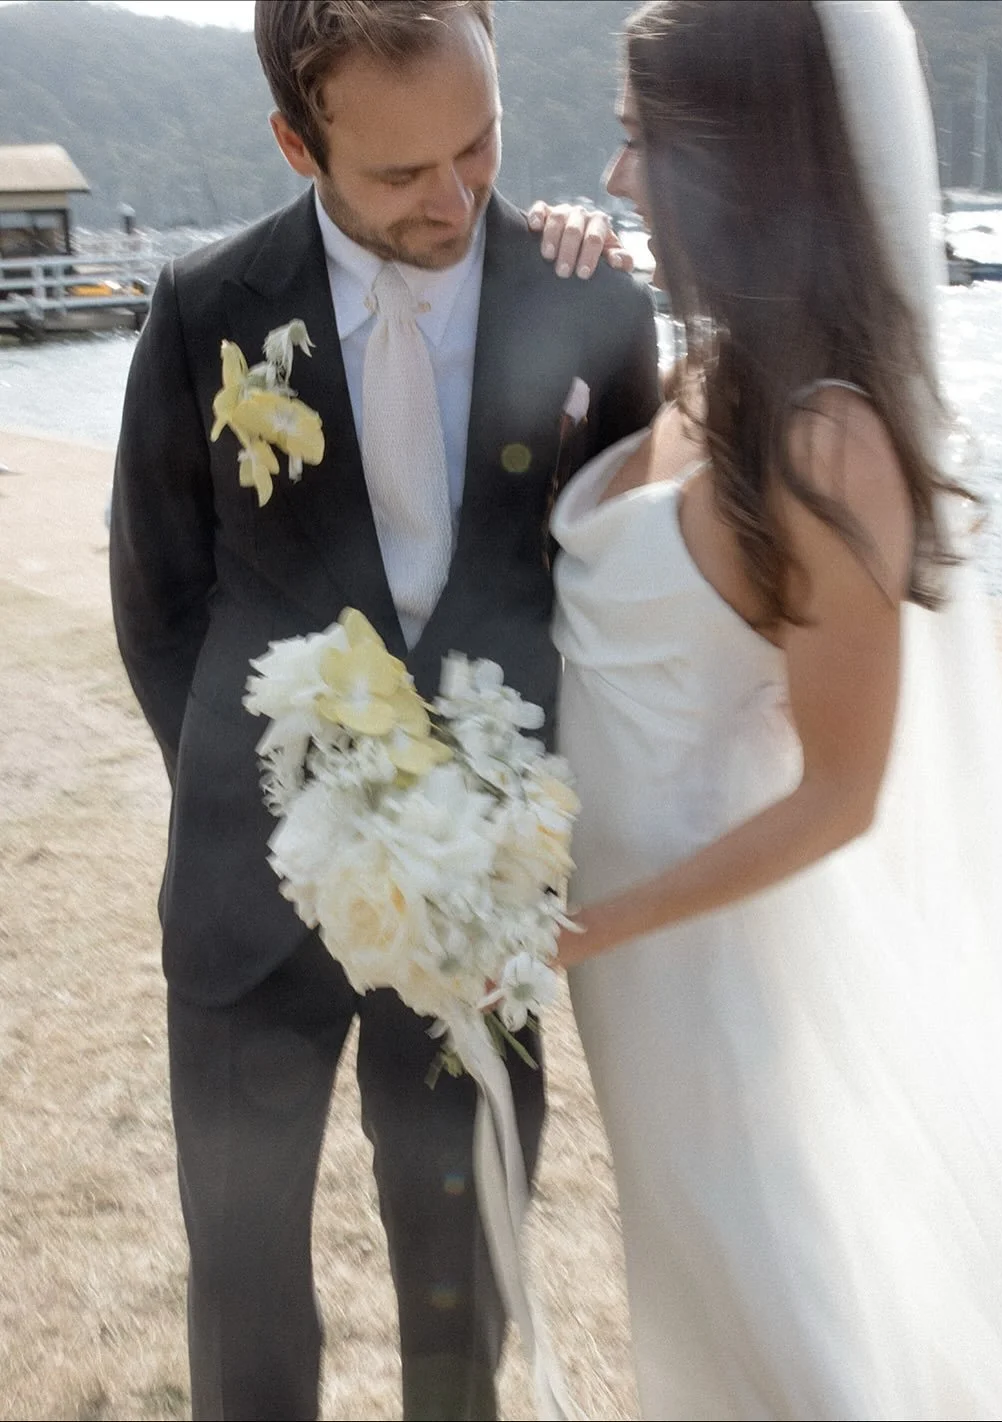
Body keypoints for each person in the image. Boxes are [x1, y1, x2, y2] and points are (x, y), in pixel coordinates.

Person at [108, 3, 659, 1418]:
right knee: (241, 1289)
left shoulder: (590, 300)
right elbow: (158, 598)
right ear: (299, 142)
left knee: (458, 1279)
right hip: (251, 895)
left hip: (481, 889)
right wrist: (272, 803)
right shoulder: (201, 310)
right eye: (401, 174)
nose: (454, 197)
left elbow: (618, 593)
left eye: (477, 147)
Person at [550, 2, 1002, 1418]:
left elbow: (842, 793)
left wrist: (599, 922)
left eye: (638, 141)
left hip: (719, 967)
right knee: (704, 1302)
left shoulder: (824, 435)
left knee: (794, 1323)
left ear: (736, 158)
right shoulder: (702, 371)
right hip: (637, 965)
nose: (615, 177)